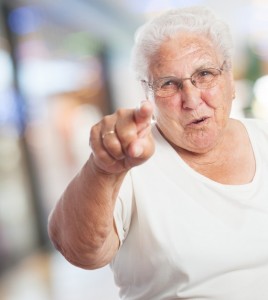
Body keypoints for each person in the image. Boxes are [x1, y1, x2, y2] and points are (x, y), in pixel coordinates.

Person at [48, 6, 268, 300]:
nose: (190, 98)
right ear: (147, 94)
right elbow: (79, 252)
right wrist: (102, 169)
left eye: (204, 74)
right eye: (169, 84)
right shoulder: (131, 156)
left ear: (229, 79)